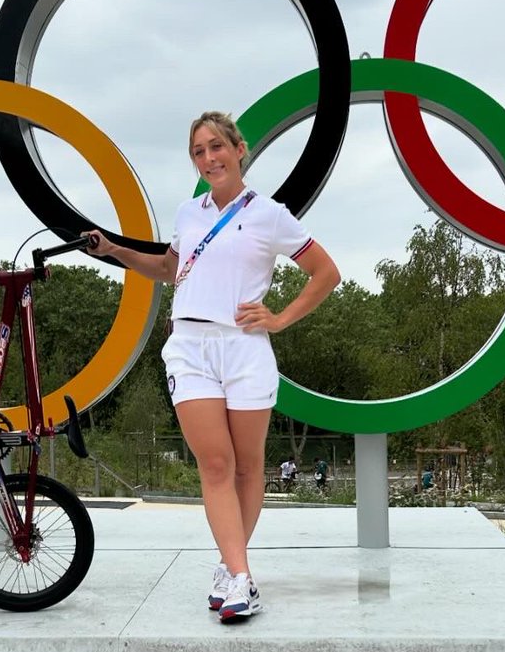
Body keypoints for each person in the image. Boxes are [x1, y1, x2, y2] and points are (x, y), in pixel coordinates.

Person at [85, 110, 340, 622]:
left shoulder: (270, 214)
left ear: (239, 149)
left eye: (216, 147)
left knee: (248, 467)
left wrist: (280, 318)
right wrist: (114, 250)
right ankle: (242, 578)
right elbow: (167, 268)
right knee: (217, 465)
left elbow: (325, 272)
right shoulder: (188, 213)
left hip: (245, 348)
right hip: (191, 346)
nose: (208, 158)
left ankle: (231, 568)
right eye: (199, 152)